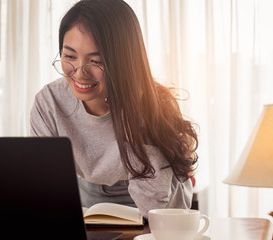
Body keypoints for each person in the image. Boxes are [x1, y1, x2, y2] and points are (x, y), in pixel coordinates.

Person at [30, 0, 199, 218]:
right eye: (69, 56)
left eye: (96, 61)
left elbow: (156, 212)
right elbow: (45, 194)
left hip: (157, 213)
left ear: (123, 60)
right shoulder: (50, 103)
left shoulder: (155, 105)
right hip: (88, 212)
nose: (80, 73)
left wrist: (135, 130)